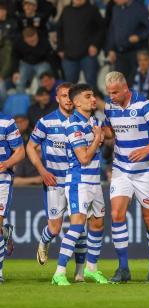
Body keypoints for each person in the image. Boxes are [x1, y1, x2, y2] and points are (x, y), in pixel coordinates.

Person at [103, 71, 149, 283]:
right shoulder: (110, 106)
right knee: (116, 214)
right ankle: (123, 268)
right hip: (121, 168)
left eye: (115, 92)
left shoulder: (144, 105)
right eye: (109, 93)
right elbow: (110, 131)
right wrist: (100, 132)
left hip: (146, 170)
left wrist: (147, 149)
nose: (112, 96)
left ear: (126, 89)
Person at [51, 83, 108, 286]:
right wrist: (97, 138)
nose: (93, 99)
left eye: (93, 95)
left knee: (99, 223)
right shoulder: (73, 124)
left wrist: (101, 132)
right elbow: (83, 158)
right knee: (77, 226)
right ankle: (59, 272)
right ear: (76, 102)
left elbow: (108, 135)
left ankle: (92, 268)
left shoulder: (92, 120)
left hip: (94, 181)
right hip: (79, 181)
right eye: (88, 96)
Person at [26, 82, 74, 266]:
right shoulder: (46, 122)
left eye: (70, 96)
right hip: (54, 181)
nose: (68, 100)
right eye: (64, 96)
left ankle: (80, 272)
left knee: (80, 226)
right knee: (55, 228)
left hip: (77, 181)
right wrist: (42, 170)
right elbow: (30, 147)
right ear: (57, 98)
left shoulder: (82, 120)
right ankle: (44, 242)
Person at [0, 111, 25, 283]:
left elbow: (20, 151)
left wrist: (6, 164)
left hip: (2, 179)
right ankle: (5, 232)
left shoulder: (6, 121)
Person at [57, 0, 105, 88]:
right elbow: (59, 30)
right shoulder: (66, 10)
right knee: (69, 86)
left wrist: (95, 44)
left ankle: (92, 101)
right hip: (69, 55)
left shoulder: (92, 9)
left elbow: (101, 29)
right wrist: (60, 48)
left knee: (91, 83)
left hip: (87, 54)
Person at [106, 0, 149, 80]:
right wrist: (111, 49)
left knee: (135, 83)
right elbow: (112, 30)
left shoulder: (139, 7)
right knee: (120, 84)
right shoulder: (115, 9)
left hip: (136, 53)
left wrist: (139, 36)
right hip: (120, 54)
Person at [12, 27, 53, 92]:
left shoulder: (44, 40)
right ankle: (20, 99)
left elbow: (51, 57)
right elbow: (15, 56)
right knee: (19, 81)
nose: (32, 42)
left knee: (42, 80)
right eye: (30, 41)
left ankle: (42, 98)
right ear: (24, 39)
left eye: (34, 40)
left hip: (42, 63)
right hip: (26, 63)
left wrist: (54, 75)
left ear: (36, 35)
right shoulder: (18, 42)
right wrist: (16, 71)